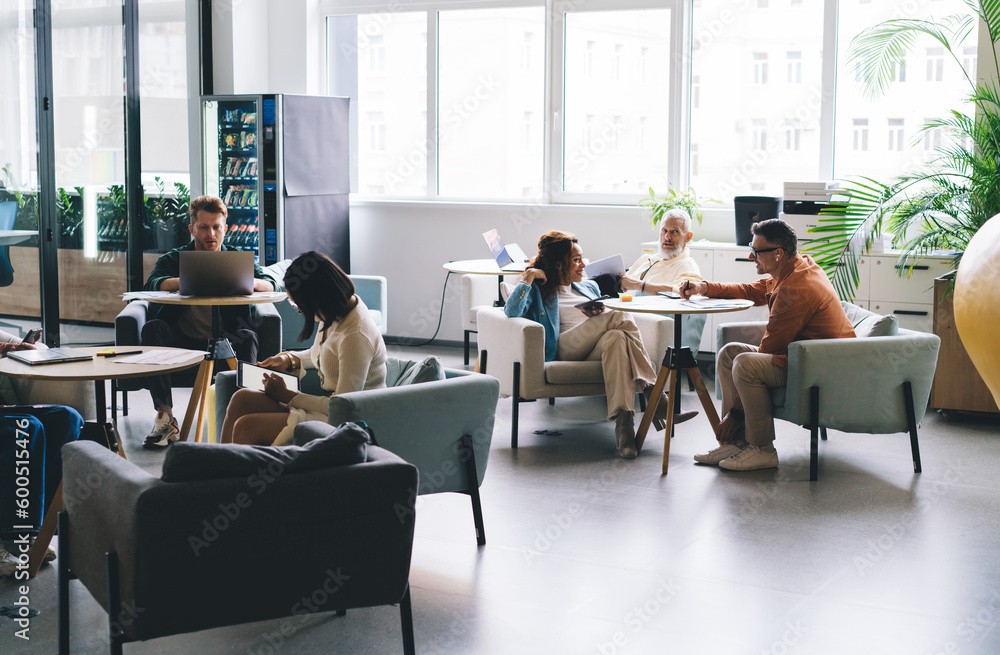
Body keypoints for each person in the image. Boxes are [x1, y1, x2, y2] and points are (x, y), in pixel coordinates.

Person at [680, 218, 856, 471]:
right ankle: (738, 442)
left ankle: (762, 448)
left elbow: (768, 349)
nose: (751, 257)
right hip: (804, 357)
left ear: (778, 254)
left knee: (744, 363)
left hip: (821, 368)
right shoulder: (797, 266)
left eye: (755, 251)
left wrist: (735, 413)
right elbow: (754, 290)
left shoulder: (796, 289)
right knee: (730, 354)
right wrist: (704, 287)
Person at [504, 230, 679, 460]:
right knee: (620, 317)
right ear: (558, 265)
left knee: (616, 337)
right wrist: (527, 277)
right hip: (564, 348)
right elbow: (511, 311)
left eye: (582, 258)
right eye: (576, 260)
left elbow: (604, 323)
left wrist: (597, 316)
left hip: (592, 347)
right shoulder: (539, 289)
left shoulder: (589, 288)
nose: (583, 264)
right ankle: (654, 392)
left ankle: (624, 432)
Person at [140, 195, 277, 449]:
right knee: (152, 329)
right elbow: (152, 283)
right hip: (184, 341)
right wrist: (185, 280)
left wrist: (248, 281)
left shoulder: (237, 258)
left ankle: (239, 413)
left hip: (227, 342)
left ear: (225, 228)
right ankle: (165, 419)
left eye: (216, 227)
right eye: (203, 227)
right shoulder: (174, 258)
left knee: (249, 336)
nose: (210, 234)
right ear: (192, 229)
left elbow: (271, 282)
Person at [220, 251, 387, 447]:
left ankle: (232, 474)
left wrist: (289, 397)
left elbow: (342, 407)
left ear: (318, 298)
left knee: (246, 426)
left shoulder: (356, 335)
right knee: (242, 398)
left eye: (299, 307)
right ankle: (220, 469)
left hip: (346, 422)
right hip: (326, 408)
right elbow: (326, 354)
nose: (300, 312)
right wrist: (290, 359)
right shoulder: (337, 312)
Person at [619, 208, 704, 296]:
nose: (667, 237)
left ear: (688, 237)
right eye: (664, 230)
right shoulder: (646, 259)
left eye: (675, 231)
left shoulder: (688, 267)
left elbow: (680, 295)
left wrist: (639, 286)